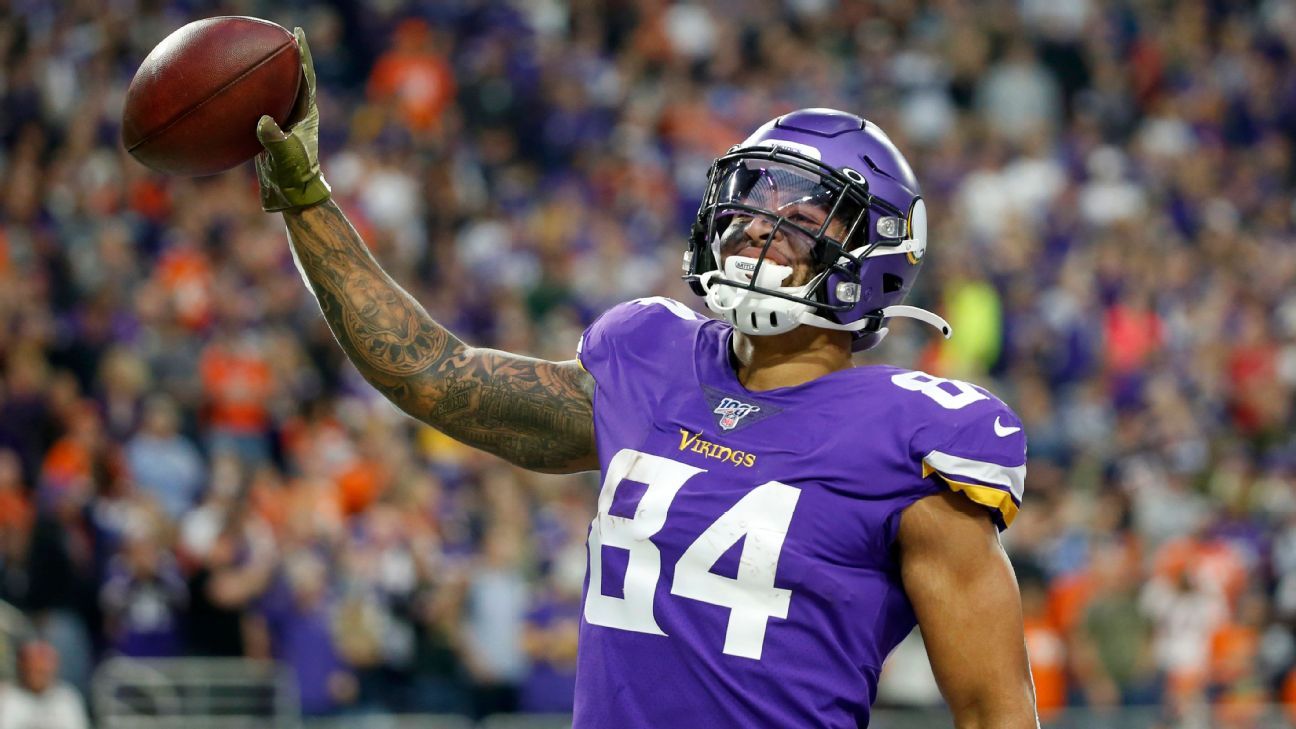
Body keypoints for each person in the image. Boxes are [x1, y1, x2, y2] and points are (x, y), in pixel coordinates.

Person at [254, 29, 1038, 728]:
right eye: (756, 197)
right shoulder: (651, 355)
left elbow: (994, 712)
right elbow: (428, 371)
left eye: (804, 210)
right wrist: (305, 198)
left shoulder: (914, 441)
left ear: (876, 254)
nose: (764, 222)